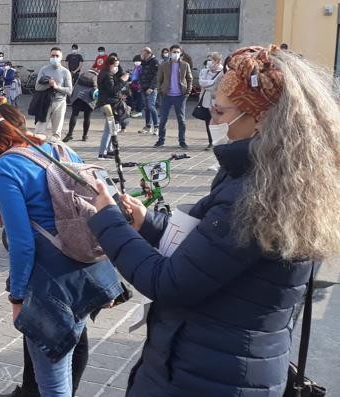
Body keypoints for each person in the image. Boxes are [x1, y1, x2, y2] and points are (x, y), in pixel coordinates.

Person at [87, 45, 340, 396]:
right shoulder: (283, 174)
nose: (212, 121)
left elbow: (170, 282)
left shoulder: (255, 194)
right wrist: (147, 222)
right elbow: (209, 249)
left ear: (262, 118)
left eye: (220, 112)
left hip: (209, 372)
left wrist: (108, 220)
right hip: (235, 360)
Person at [0, 105, 121, 397]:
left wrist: (18, 296)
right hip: (86, 265)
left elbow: (23, 243)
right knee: (70, 353)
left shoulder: (4, 167)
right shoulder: (57, 149)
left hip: (51, 280)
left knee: (52, 381)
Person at [152, 44, 193, 149]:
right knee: (163, 119)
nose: (176, 54)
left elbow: (189, 79)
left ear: (181, 53)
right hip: (166, 96)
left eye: (178, 52)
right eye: (174, 52)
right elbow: (159, 79)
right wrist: (160, 91)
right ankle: (161, 140)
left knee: (181, 120)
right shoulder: (164, 65)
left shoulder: (185, 65)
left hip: (180, 96)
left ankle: (182, 141)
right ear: (170, 53)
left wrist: (187, 92)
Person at [34, 47, 73, 139]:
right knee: (39, 131)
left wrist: (56, 87)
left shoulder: (65, 72)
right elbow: (37, 87)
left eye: (57, 56)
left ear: (61, 57)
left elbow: (69, 91)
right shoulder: (44, 69)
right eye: (52, 55)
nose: (54, 57)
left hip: (60, 103)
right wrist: (49, 85)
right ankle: (37, 150)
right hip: (45, 102)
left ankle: (54, 150)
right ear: (49, 56)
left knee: (56, 133)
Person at [96, 57, 130, 160]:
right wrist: (123, 81)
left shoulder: (107, 74)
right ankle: (102, 153)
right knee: (109, 129)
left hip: (110, 103)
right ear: (110, 65)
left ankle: (109, 149)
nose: (117, 68)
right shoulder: (107, 75)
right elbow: (113, 90)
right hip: (108, 105)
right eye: (115, 65)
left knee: (113, 128)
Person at [197, 52, 224, 150]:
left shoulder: (223, 71)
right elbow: (201, 82)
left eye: (211, 59)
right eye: (208, 59)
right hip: (205, 100)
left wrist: (209, 84)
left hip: (217, 101)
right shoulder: (204, 71)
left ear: (217, 61)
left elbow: (217, 86)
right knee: (208, 121)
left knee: (219, 121)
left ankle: (220, 141)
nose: (209, 62)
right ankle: (210, 142)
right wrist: (212, 83)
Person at [64, 67, 98, 143]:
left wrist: (71, 97)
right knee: (87, 117)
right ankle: (84, 136)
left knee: (74, 115)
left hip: (78, 97)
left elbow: (75, 86)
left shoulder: (82, 75)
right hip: (88, 100)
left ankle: (70, 134)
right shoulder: (96, 77)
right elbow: (96, 90)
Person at [137, 47, 160, 135]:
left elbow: (156, 76)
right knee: (146, 107)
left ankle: (156, 127)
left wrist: (152, 87)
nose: (141, 55)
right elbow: (141, 73)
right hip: (143, 87)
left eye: (143, 53)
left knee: (151, 106)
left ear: (147, 53)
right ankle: (148, 126)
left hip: (151, 88)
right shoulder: (143, 62)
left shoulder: (155, 62)